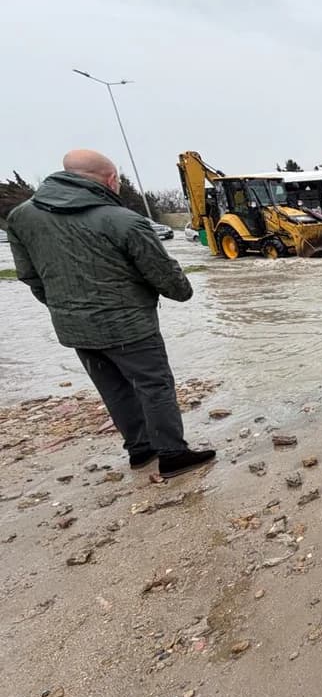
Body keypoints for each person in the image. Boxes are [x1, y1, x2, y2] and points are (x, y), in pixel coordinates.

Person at [7, 150, 215, 478]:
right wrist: (182, 291)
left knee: (113, 387)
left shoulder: (21, 217)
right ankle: (173, 453)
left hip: (73, 327)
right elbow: (165, 276)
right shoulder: (123, 220)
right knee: (153, 385)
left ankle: (139, 449)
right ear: (111, 180)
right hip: (130, 325)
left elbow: (30, 276)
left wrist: (64, 308)